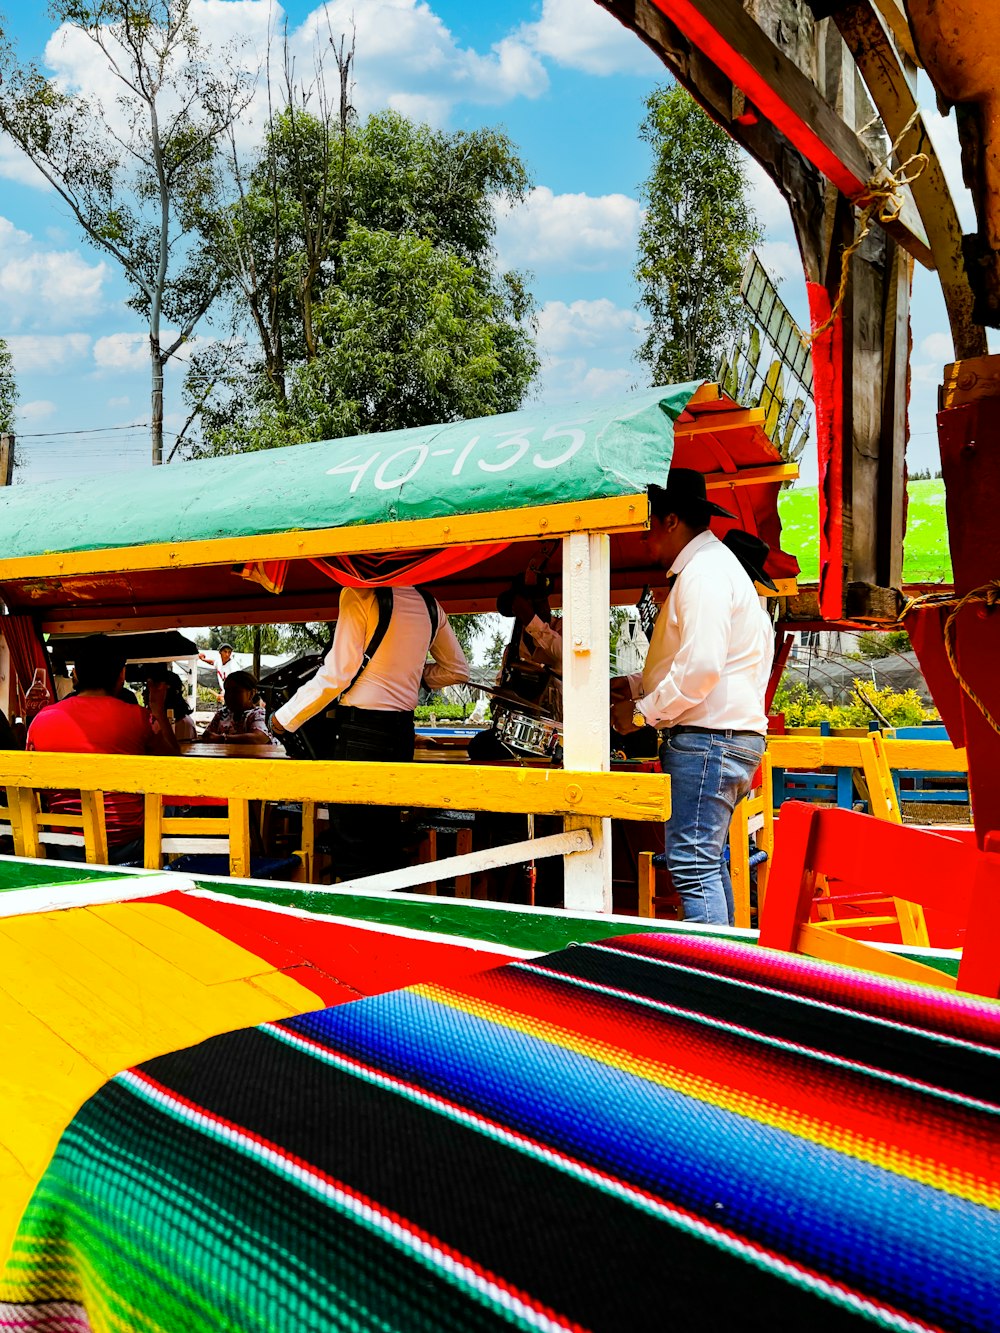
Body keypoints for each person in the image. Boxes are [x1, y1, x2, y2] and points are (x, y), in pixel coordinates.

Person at [611, 470, 774, 926]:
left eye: (648, 524)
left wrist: (642, 714)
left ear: (671, 520)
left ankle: (711, 979)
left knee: (692, 865)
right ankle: (727, 968)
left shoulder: (703, 573)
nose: (644, 536)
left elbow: (699, 669)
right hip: (724, 737)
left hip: (707, 740)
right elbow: (699, 667)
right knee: (707, 861)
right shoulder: (712, 570)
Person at [270, 584, 469, 880]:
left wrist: (283, 719)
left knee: (354, 844)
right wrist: (408, 675)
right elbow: (456, 670)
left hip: (360, 731)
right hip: (401, 733)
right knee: (385, 837)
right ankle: (386, 912)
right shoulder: (429, 604)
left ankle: (357, 916)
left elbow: (337, 674)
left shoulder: (359, 594)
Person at [26, 634, 180, 863]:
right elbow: (173, 764)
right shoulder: (139, 718)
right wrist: (157, 709)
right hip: (128, 844)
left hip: (65, 845)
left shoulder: (41, 720)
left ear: (75, 674)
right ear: (122, 674)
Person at [200, 670, 274, 745]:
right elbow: (208, 736)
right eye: (227, 691)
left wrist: (222, 739)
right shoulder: (222, 714)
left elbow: (259, 738)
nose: (230, 696)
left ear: (251, 693)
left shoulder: (259, 714)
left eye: (236, 691)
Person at [141, 664, 198, 742]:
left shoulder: (182, 724)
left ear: (166, 692)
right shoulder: (153, 719)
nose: (143, 693)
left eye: (149, 689)